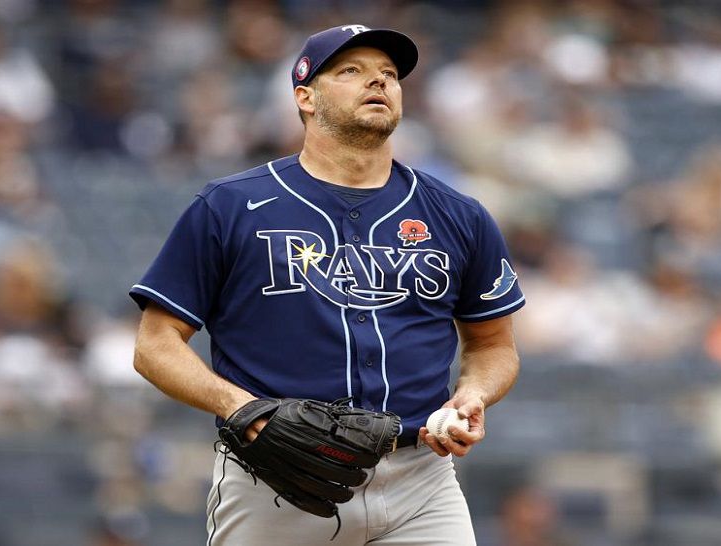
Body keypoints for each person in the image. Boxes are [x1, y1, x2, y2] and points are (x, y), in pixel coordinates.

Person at [129, 24, 525, 546]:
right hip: (275, 477)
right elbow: (154, 346)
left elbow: (494, 345)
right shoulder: (229, 206)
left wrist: (471, 394)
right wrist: (239, 407)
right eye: (351, 72)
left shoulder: (457, 214)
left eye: (389, 74)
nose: (378, 83)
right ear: (305, 97)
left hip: (421, 482)